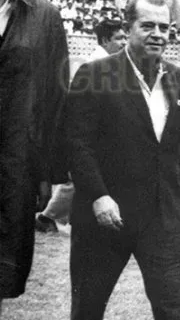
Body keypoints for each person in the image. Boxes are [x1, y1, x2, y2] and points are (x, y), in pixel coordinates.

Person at [67, 0, 180, 320]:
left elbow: (179, 148)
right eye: (147, 25)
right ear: (128, 27)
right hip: (106, 216)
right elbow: (76, 142)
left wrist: (179, 204)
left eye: (164, 27)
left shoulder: (177, 76)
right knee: (88, 307)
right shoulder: (94, 74)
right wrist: (98, 195)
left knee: (174, 308)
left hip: (159, 217)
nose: (158, 34)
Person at [0, 0, 69, 312]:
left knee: (2, 269)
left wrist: (50, 173)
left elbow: (55, 98)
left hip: (14, 163)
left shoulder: (44, 15)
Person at [34, 17, 128, 234]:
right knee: (77, 178)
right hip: (86, 134)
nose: (124, 42)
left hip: (96, 134)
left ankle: (52, 216)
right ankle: (48, 216)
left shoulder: (108, 62)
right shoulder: (96, 65)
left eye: (125, 37)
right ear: (105, 40)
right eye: (119, 38)